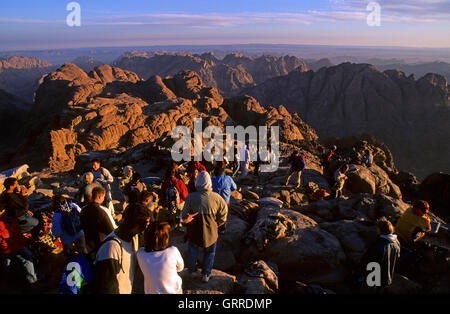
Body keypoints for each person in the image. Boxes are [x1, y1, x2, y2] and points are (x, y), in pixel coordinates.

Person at [91, 201, 151, 294]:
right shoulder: (111, 248)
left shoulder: (134, 237)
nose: (144, 229)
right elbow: (107, 288)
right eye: (143, 225)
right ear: (132, 223)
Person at [181, 171, 228, 283]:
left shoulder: (190, 197)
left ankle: (192, 271)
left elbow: (184, 215)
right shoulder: (217, 198)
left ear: (197, 182)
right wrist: (217, 224)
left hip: (194, 231)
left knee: (193, 250)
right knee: (210, 252)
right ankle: (206, 274)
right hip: (211, 232)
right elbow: (224, 215)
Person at [136, 222, 184, 294]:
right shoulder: (172, 251)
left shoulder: (140, 254)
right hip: (174, 291)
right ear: (165, 239)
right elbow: (180, 268)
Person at [357, 217, 401, 294]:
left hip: (373, 279)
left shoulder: (378, 245)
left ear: (380, 230)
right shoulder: (396, 243)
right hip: (387, 279)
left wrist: (360, 274)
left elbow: (369, 262)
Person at [0, 214, 38, 287]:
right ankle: (33, 280)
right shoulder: (7, 220)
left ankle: (7, 280)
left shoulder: (9, 219)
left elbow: (17, 232)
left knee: (7, 263)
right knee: (27, 259)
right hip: (11, 248)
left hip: (14, 246)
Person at [79, 187, 116, 256]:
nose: (104, 199)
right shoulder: (103, 210)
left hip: (88, 244)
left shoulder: (83, 209)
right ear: (99, 197)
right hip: (102, 243)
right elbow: (112, 229)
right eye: (103, 197)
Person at [50, 195, 87, 259]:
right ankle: (87, 265)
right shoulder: (73, 205)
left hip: (67, 240)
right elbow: (82, 215)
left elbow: (56, 233)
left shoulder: (56, 215)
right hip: (79, 233)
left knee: (69, 258)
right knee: (83, 253)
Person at [160, 162, 189, 229]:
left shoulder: (165, 183)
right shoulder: (179, 182)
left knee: (172, 214)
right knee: (180, 212)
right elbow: (185, 195)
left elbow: (162, 194)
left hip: (169, 203)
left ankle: (173, 224)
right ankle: (180, 224)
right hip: (179, 204)